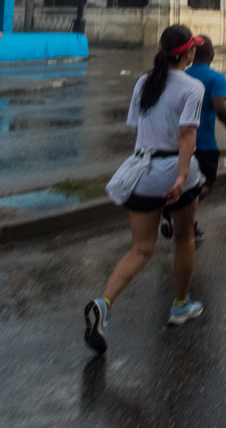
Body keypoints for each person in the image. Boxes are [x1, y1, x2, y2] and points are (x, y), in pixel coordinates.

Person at [84, 26, 207, 355]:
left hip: (142, 170)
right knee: (183, 239)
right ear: (188, 54)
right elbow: (186, 136)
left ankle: (104, 303)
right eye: (192, 48)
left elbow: (140, 128)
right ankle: (180, 304)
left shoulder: (143, 82)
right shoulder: (192, 87)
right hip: (172, 171)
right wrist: (182, 177)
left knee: (140, 249)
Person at [161, 36, 226, 248]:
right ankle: (172, 210)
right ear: (210, 54)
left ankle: (189, 225)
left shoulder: (181, 74)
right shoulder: (216, 78)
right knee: (206, 185)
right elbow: (219, 106)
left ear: (192, 54)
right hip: (203, 143)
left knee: (185, 183)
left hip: (178, 141)